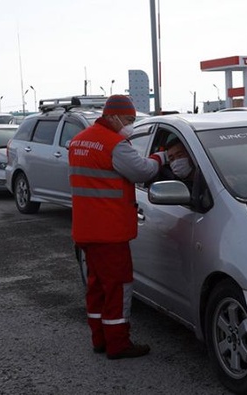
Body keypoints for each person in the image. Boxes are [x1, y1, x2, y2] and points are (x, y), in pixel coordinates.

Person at [68, 95, 164, 360]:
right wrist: (162, 157)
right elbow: (143, 171)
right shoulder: (114, 144)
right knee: (118, 288)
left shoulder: (79, 141)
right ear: (112, 116)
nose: (130, 125)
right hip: (109, 231)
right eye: (129, 120)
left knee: (97, 287)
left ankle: (100, 339)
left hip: (86, 229)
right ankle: (118, 344)